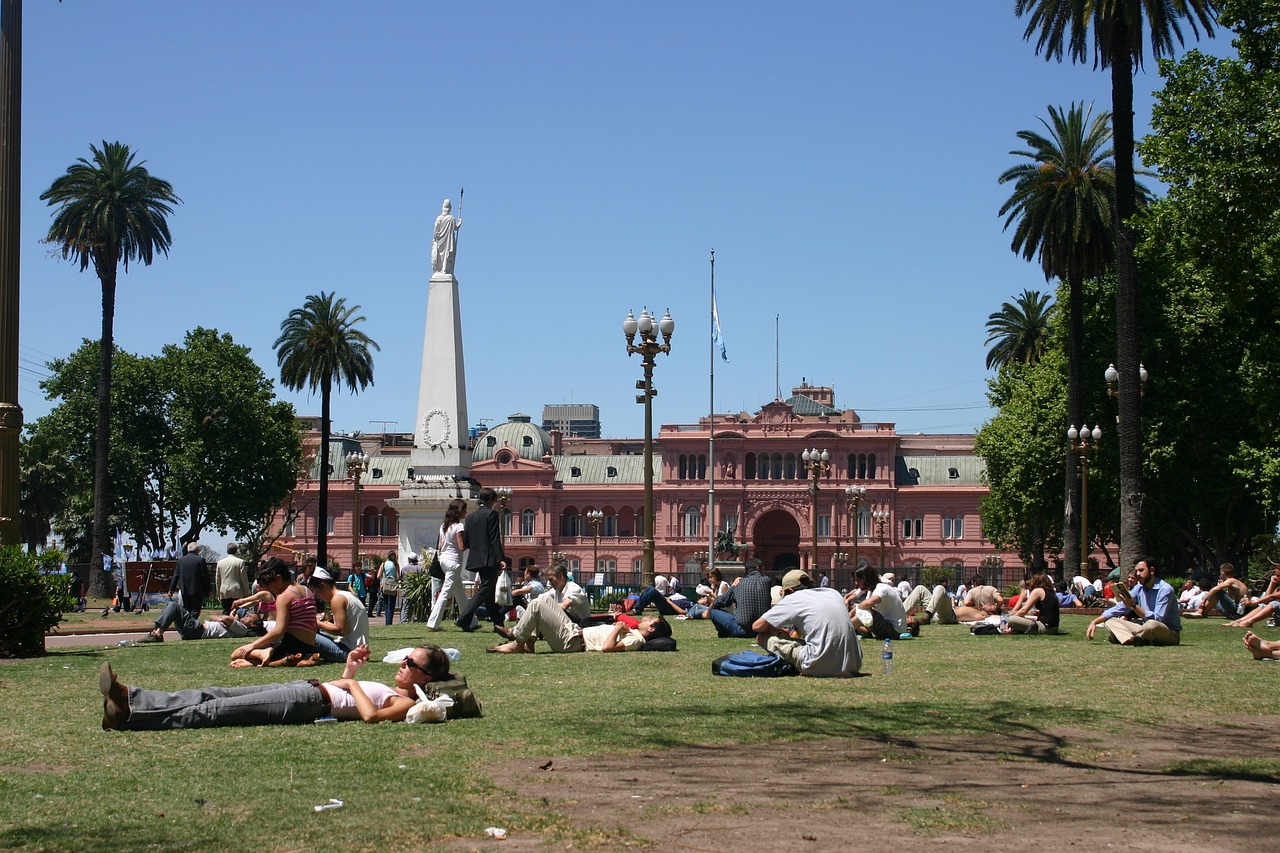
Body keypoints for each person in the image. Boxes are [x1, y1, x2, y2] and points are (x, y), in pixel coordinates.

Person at [99, 643, 450, 730]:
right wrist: (351, 670)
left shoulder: (407, 703)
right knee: (214, 694)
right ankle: (131, 699)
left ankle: (132, 715)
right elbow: (349, 690)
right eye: (405, 659)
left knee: (216, 711)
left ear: (426, 678)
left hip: (308, 702)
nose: (403, 665)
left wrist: (351, 682)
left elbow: (371, 717)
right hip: (306, 687)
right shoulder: (394, 685)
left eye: (411, 664)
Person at [752, 569, 861, 677]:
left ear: (790, 590)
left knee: (762, 637)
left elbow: (757, 626)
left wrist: (775, 630)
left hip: (817, 664)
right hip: (853, 664)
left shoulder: (794, 598)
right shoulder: (833, 593)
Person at [486, 593, 670, 654]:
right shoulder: (634, 632)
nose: (647, 618)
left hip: (572, 642)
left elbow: (607, 648)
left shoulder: (636, 640)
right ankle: (528, 642)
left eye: (651, 619)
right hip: (575, 631)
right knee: (544, 598)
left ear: (652, 629)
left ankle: (517, 640)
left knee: (536, 605)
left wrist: (619, 629)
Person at [229, 558, 323, 666]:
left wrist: (253, 645)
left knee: (236, 653)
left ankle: (263, 653)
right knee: (252, 656)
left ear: (278, 578)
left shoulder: (284, 597)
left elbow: (279, 630)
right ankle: (259, 660)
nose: (268, 588)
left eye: (268, 583)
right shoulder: (307, 590)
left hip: (292, 644)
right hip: (309, 646)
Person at [1086, 556, 1182, 646]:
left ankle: (1128, 637)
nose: (1138, 574)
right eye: (1136, 571)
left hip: (1167, 631)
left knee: (1152, 624)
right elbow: (1121, 607)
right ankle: (1132, 639)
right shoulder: (1139, 587)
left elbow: (1158, 618)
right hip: (1145, 628)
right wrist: (1094, 622)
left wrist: (1133, 606)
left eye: (1141, 570)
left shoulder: (1165, 589)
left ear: (1152, 570)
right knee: (1110, 621)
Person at [455, 488, 508, 633]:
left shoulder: (470, 517)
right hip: (489, 558)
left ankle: (498, 624)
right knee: (485, 589)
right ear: (491, 500)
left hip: (476, 557)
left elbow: (466, 540)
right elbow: (494, 538)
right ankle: (464, 617)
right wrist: (501, 558)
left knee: (489, 594)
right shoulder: (491, 514)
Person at [424, 500, 470, 633]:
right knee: (445, 593)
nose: (466, 512)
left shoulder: (443, 526)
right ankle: (433, 622)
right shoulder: (458, 526)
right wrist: (472, 542)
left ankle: (470, 621)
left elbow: (439, 546)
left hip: (443, 560)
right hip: (454, 562)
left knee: (460, 594)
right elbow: (461, 546)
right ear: (459, 511)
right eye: (464, 510)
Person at [310, 567, 370, 662]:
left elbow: (341, 630)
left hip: (349, 651)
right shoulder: (347, 595)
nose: (319, 597)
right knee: (320, 633)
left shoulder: (337, 599)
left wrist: (314, 622)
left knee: (308, 634)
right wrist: (324, 622)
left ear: (323, 585)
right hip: (358, 650)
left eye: (317, 592)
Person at [707, 558, 774, 638]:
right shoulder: (767, 581)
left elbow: (719, 601)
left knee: (714, 612)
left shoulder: (738, 584)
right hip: (762, 628)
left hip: (743, 630)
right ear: (758, 568)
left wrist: (708, 611)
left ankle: (723, 633)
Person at [138, 606, 265, 642]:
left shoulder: (242, 629)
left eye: (249, 617)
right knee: (173, 608)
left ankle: (157, 634)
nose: (246, 615)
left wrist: (224, 618)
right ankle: (156, 633)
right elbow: (212, 616)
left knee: (174, 607)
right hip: (197, 629)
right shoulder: (237, 626)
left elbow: (224, 617)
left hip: (198, 630)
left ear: (253, 625)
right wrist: (221, 620)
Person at [847, 566, 907, 640]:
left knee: (865, 612)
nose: (856, 583)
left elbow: (868, 603)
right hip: (890, 628)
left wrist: (850, 614)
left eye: (858, 580)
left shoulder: (881, 588)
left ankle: (842, 631)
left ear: (866, 579)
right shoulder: (876, 590)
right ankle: (846, 629)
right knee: (864, 613)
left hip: (894, 631)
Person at [1004, 570, 1060, 634]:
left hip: (1045, 628)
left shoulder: (1037, 591)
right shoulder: (1050, 592)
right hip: (1053, 628)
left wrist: (1011, 619)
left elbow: (1023, 610)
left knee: (1012, 619)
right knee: (1023, 618)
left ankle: (1012, 628)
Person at [170, 542, 211, 618]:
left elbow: (176, 575)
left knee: (187, 610)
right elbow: (205, 576)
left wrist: (172, 588)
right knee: (195, 610)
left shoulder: (181, 560)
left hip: (184, 590)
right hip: (197, 590)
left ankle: (187, 625)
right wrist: (209, 589)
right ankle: (190, 626)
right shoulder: (200, 560)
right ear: (198, 550)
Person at [215, 543, 250, 616]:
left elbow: (218, 579)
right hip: (237, 590)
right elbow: (244, 579)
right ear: (236, 551)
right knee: (237, 612)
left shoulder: (220, 563)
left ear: (227, 551)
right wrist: (247, 592)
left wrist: (218, 593)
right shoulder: (240, 562)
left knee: (226, 610)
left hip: (224, 590)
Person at [431, 198, 462, 275]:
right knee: (446, 256)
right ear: (450, 208)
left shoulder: (439, 219)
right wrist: (460, 223)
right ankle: (444, 270)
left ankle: (440, 270)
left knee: (440, 256)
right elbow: (455, 228)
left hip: (440, 242)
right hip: (447, 242)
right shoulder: (451, 219)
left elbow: (435, 232)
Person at [399, 552, 423, 623]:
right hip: (417, 590)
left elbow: (402, 579)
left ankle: (404, 621)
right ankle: (416, 619)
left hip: (407, 590)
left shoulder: (404, 569)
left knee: (405, 606)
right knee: (417, 605)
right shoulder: (420, 569)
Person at [378, 551, 399, 627]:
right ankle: (390, 622)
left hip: (385, 585)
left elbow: (378, 575)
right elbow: (398, 577)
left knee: (387, 605)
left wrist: (384, 577)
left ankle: (387, 622)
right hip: (393, 585)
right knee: (392, 605)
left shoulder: (383, 564)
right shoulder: (396, 564)